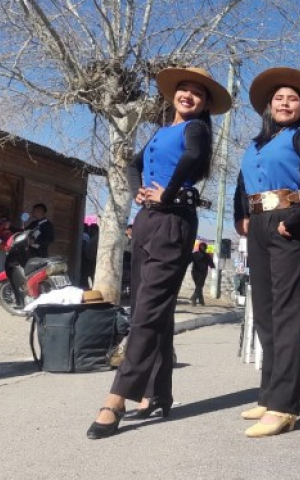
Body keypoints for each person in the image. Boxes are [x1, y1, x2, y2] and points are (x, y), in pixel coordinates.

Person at [86, 66, 231, 439]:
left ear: (204, 103)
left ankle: (118, 396)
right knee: (151, 310)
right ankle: (157, 391)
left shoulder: (195, 129)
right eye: (183, 89)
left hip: (174, 221)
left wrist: (167, 191)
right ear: (173, 95)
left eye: (197, 93)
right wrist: (137, 189)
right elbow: (134, 164)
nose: (188, 96)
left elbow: (193, 158)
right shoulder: (161, 132)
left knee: (148, 311)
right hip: (147, 220)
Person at [233, 67, 300, 438]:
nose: (285, 103)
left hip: (290, 224)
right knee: (265, 314)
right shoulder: (254, 145)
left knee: (288, 314)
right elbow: (241, 183)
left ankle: (284, 407)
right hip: (258, 227)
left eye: (292, 99)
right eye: (279, 98)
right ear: (268, 107)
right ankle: (268, 394)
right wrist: (240, 216)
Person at [189, 242, 215, 306]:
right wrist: (213, 266)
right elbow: (211, 265)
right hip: (202, 273)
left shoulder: (195, 254)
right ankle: (194, 298)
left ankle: (201, 301)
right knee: (199, 286)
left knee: (199, 286)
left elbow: (188, 260)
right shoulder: (207, 255)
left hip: (194, 273)